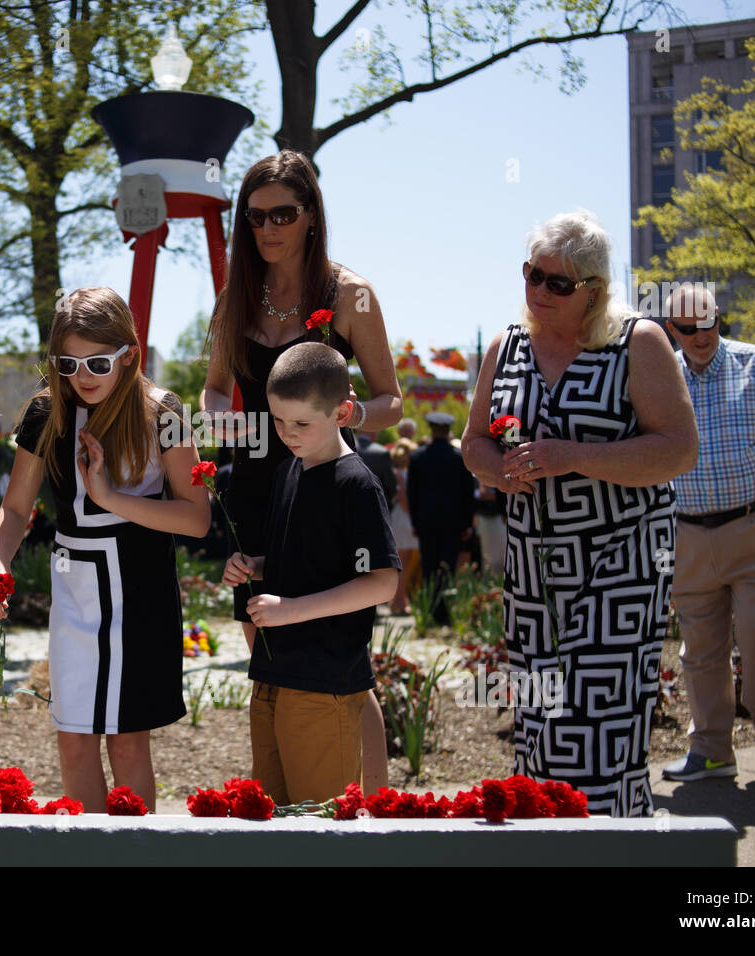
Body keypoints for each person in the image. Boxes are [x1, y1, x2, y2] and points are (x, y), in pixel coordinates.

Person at [462, 211, 697, 817]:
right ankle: (545, 831)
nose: (538, 291)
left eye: (557, 283)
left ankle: (607, 837)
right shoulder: (505, 346)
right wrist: (500, 469)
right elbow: (474, 445)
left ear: (595, 289)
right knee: (539, 713)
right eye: (531, 275)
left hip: (621, 560)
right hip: (534, 565)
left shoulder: (637, 341)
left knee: (601, 716)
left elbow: (677, 448)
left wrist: (574, 457)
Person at [200, 149, 402, 794]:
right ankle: (291, 797)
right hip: (256, 488)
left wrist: (338, 421)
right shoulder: (235, 296)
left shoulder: (350, 293)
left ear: (312, 214)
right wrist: (220, 422)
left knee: (344, 660)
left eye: (283, 212)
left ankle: (369, 802)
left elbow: (392, 402)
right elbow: (211, 390)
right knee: (269, 644)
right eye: (255, 216)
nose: (268, 228)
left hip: (324, 478)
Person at [0, 287, 209, 813]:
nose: (84, 375)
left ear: (130, 355)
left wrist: (110, 497)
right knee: (73, 736)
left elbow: (196, 518)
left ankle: (134, 854)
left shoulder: (163, 411)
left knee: (127, 740)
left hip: (141, 587)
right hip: (75, 585)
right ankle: (88, 851)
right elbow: (15, 510)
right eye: (69, 362)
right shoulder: (45, 412)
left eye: (99, 361)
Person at [223, 343, 400, 804]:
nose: (286, 433)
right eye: (278, 421)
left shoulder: (357, 485)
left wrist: (294, 610)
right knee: (276, 817)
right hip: (272, 674)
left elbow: (382, 581)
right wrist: (254, 567)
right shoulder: (288, 471)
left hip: (324, 680)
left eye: (301, 423)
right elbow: (299, 558)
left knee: (322, 824)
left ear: (343, 412)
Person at [659, 283, 755, 788]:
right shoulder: (660, 378)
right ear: (671, 330)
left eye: (708, 324)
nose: (700, 336)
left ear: (719, 318)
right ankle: (711, 750)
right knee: (699, 648)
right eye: (687, 329)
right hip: (688, 533)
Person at [407, 411, 475, 625]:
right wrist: (467, 523)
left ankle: (429, 609)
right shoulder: (458, 458)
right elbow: (467, 493)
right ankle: (444, 612)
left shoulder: (418, 457)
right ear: (447, 431)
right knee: (447, 566)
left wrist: (415, 522)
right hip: (453, 523)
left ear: (431, 429)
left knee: (428, 566)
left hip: (426, 522)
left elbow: (412, 493)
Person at [388, 437, 419, 614]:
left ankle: (400, 598)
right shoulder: (399, 473)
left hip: (402, 517)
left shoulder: (403, 471)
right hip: (402, 517)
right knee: (402, 561)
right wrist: (413, 517)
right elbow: (402, 497)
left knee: (405, 560)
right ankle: (397, 600)